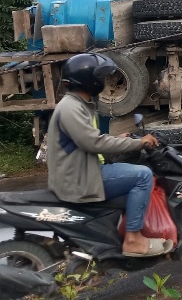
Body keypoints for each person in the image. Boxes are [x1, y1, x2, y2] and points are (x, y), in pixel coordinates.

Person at [47, 53, 169, 257]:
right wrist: (137, 143)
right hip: (80, 178)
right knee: (143, 176)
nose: (104, 81)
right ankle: (133, 239)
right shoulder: (71, 107)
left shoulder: (77, 104)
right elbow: (93, 142)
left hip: (79, 172)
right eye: (100, 77)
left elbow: (87, 138)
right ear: (90, 80)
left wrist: (118, 138)